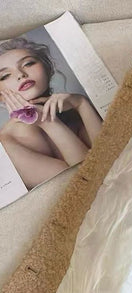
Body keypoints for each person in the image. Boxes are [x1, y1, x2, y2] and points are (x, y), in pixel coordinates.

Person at [0, 37, 102, 190]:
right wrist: (46, 121)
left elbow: (112, 156)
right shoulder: (6, 144)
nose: (21, 74)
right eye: (5, 76)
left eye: (28, 64)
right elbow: (89, 181)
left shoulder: (73, 109)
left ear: (47, 68)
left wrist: (81, 103)